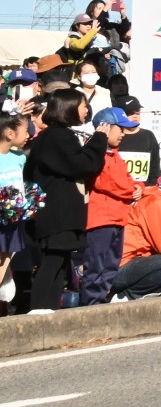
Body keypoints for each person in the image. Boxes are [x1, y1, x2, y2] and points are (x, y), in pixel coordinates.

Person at [24, 89, 109, 312]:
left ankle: (48, 309)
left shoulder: (53, 136)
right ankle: (39, 310)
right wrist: (99, 139)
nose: (86, 110)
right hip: (57, 212)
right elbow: (81, 165)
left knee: (59, 263)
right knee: (53, 261)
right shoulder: (57, 136)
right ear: (69, 108)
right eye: (82, 105)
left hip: (56, 211)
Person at [78, 108, 141, 306]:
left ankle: (100, 300)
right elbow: (108, 182)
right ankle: (90, 305)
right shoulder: (96, 153)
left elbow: (128, 180)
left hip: (118, 218)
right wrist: (133, 190)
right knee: (96, 266)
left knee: (111, 265)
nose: (123, 133)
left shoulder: (114, 154)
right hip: (100, 220)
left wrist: (138, 188)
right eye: (120, 129)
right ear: (105, 127)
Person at [0, 115, 37, 306]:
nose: (29, 134)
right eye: (25, 130)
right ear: (9, 133)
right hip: (1, 219)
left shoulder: (20, 158)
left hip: (14, 220)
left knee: (6, 259)